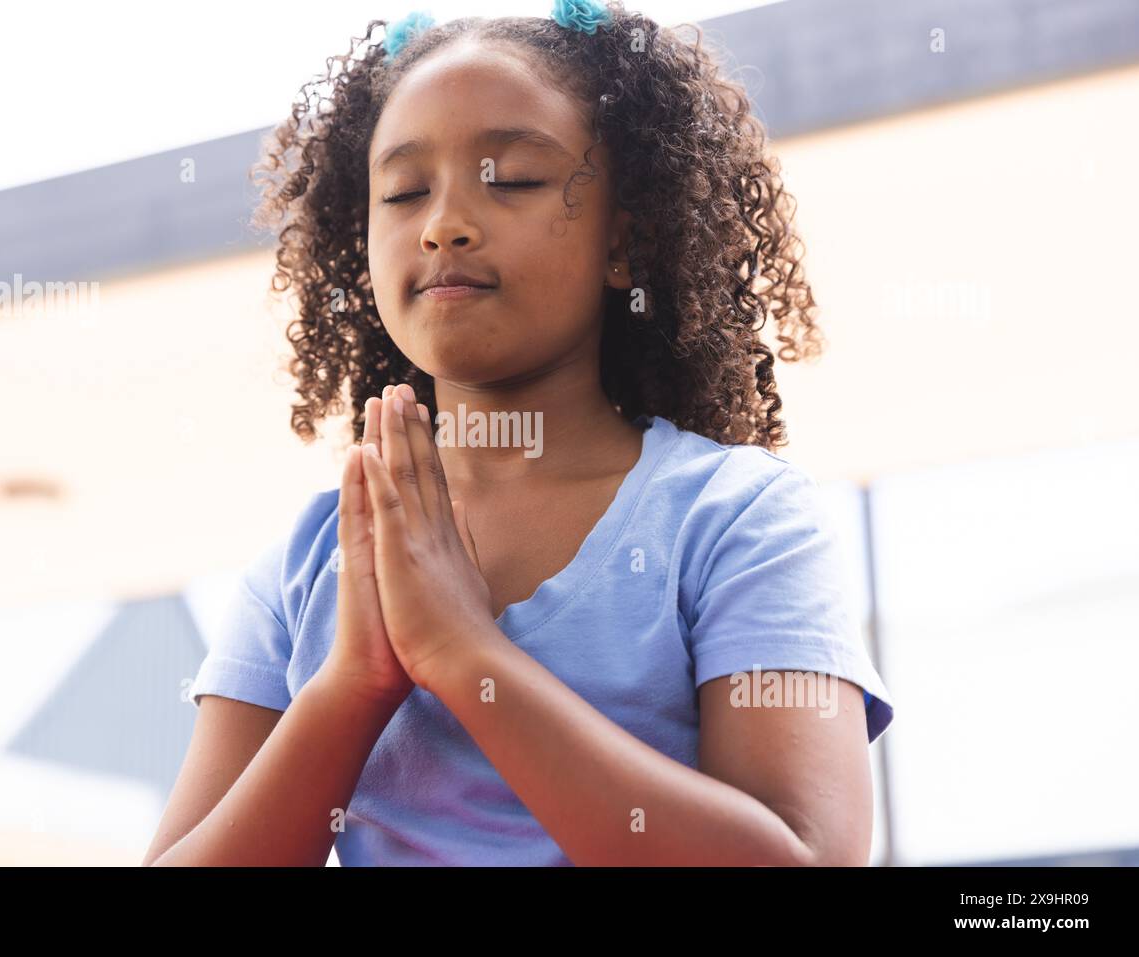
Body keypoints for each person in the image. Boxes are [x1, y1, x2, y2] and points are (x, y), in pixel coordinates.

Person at [145, 0, 895, 867]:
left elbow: (807, 856)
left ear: (627, 241)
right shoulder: (303, 570)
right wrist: (351, 686)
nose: (444, 222)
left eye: (513, 179)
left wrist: (464, 655)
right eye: (404, 192)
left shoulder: (738, 521)